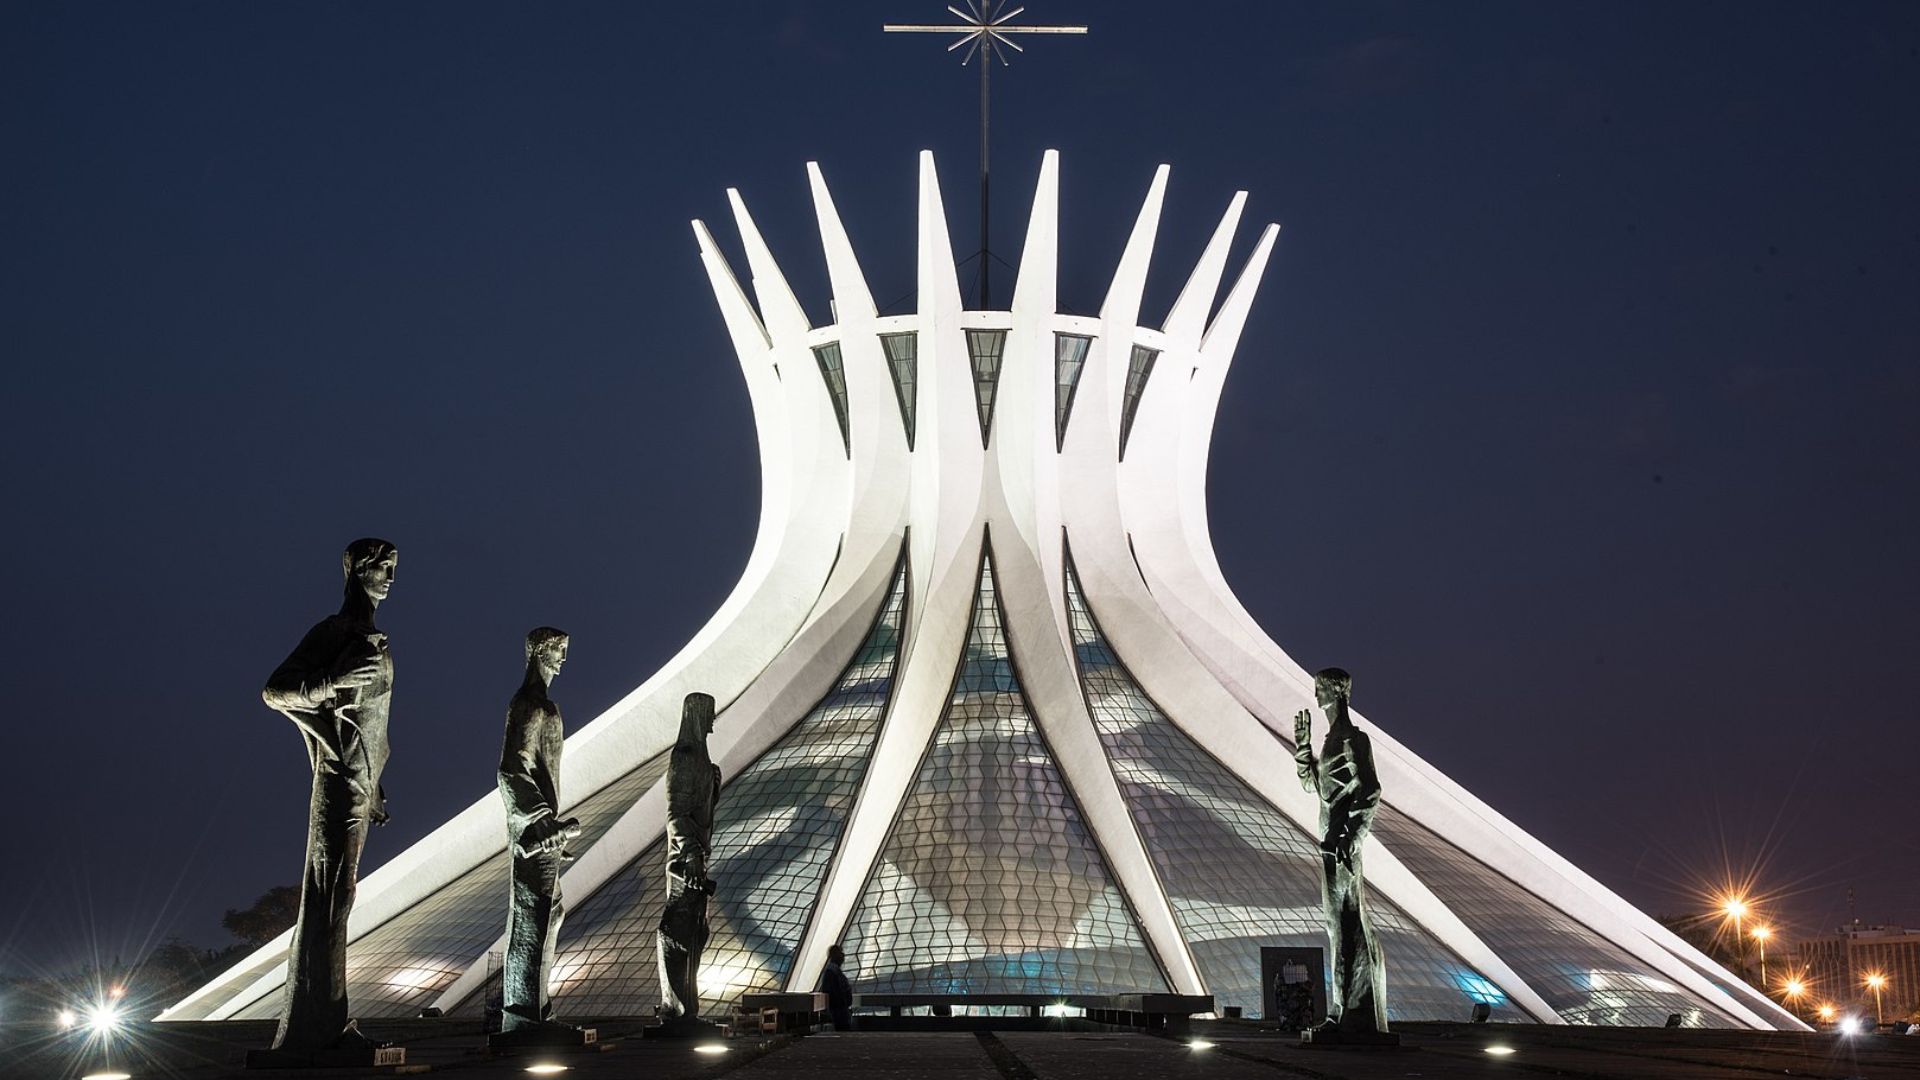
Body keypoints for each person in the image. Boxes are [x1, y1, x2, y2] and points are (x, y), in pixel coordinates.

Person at [260, 538, 398, 1053]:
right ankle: (317, 1029)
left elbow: (368, 725)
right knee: (328, 899)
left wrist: (377, 781)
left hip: (361, 785)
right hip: (338, 786)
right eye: (380, 566)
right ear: (354, 570)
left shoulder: (373, 637)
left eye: (393, 567)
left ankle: (322, 1025)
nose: (389, 575)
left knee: (340, 898)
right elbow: (275, 691)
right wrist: (330, 680)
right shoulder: (335, 631)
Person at [1293, 667, 1389, 1035]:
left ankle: (1348, 1013)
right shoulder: (1331, 740)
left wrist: (1351, 836)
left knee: (1345, 923)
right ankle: (1346, 1009)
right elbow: (1313, 787)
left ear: (1336, 693)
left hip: (1342, 847)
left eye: (1319, 689)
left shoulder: (1353, 739)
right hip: (1330, 844)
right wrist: (1303, 748)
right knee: (1338, 925)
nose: (1315, 696)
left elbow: (1370, 791)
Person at [497, 627, 583, 1034]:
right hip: (534, 832)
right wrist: (539, 821)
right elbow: (510, 769)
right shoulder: (530, 705)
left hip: (546, 832)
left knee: (551, 912)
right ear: (536, 653)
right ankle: (523, 1015)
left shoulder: (546, 705)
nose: (563, 658)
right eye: (557, 650)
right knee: (533, 914)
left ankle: (537, 1010)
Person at [818, 944, 854, 1031]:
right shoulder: (833, 972)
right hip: (839, 1011)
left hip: (839, 1010)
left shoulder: (832, 971)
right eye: (840, 953)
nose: (843, 956)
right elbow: (835, 992)